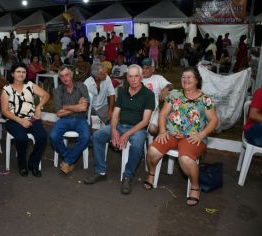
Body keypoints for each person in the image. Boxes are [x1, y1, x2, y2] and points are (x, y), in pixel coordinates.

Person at [144, 67, 219, 206]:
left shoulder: (205, 99)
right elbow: (163, 114)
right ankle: (152, 173)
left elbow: (214, 120)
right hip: (171, 133)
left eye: (189, 77)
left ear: (197, 80)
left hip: (193, 137)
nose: (185, 80)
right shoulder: (174, 94)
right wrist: (162, 130)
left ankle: (195, 186)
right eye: (183, 77)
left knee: (185, 159)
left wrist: (201, 134)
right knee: (152, 151)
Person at [83, 64, 155, 195]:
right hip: (120, 125)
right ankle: (100, 171)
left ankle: (128, 176)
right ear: (126, 77)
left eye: (136, 76)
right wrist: (114, 130)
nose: (133, 80)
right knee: (98, 136)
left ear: (141, 77)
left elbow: (145, 121)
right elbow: (115, 114)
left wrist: (126, 134)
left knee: (137, 144)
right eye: (130, 76)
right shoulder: (122, 92)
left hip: (137, 129)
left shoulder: (148, 95)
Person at [1, 63, 50, 177]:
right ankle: (22, 165)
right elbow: (5, 111)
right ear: (12, 74)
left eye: (23, 72)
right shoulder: (6, 90)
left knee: (42, 137)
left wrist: (38, 106)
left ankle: (33, 163)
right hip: (13, 120)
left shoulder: (30, 85)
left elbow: (46, 95)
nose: (21, 74)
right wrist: (20, 120)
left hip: (32, 118)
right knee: (21, 138)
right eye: (18, 72)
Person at [49, 66, 91, 174]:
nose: (65, 78)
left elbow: (84, 108)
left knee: (86, 137)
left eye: (67, 75)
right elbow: (59, 113)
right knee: (53, 136)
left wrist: (66, 107)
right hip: (64, 120)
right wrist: (77, 106)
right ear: (59, 78)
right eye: (62, 76)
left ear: (71, 75)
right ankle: (70, 159)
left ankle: (67, 161)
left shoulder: (82, 87)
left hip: (81, 119)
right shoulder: (57, 90)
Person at [141, 58, 173, 135]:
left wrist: (166, 88)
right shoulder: (138, 78)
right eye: (143, 68)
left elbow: (171, 85)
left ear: (152, 69)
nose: (144, 70)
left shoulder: (157, 78)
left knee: (153, 130)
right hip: (138, 110)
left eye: (147, 68)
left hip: (153, 111)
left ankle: (154, 139)